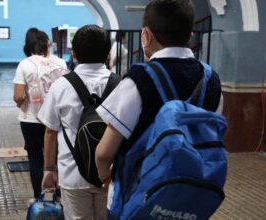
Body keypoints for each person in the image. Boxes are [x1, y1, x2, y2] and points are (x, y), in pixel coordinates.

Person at [95, 0, 224, 213]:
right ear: (190, 36)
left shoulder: (139, 79)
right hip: (189, 202)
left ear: (145, 35)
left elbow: (104, 152)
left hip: (136, 201)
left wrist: (104, 176)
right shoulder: (212, 80)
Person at [38, 24, 111, 220]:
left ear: (75, 54)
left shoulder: (61, 85)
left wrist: (49, 169)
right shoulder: (120, 84)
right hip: (111, 176)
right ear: (108, 53)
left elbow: (51, 131)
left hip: (72, 175)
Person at [13, 28, 67, 199]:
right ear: (47, 44)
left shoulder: (25, 64)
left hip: (31, 120)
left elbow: (18, 96)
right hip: (57, 118)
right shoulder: (61, 63)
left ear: (28, 45)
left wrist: (24, 102)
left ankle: (40, 198)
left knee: (35, 158)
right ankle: (59, 195)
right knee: (57, 157)